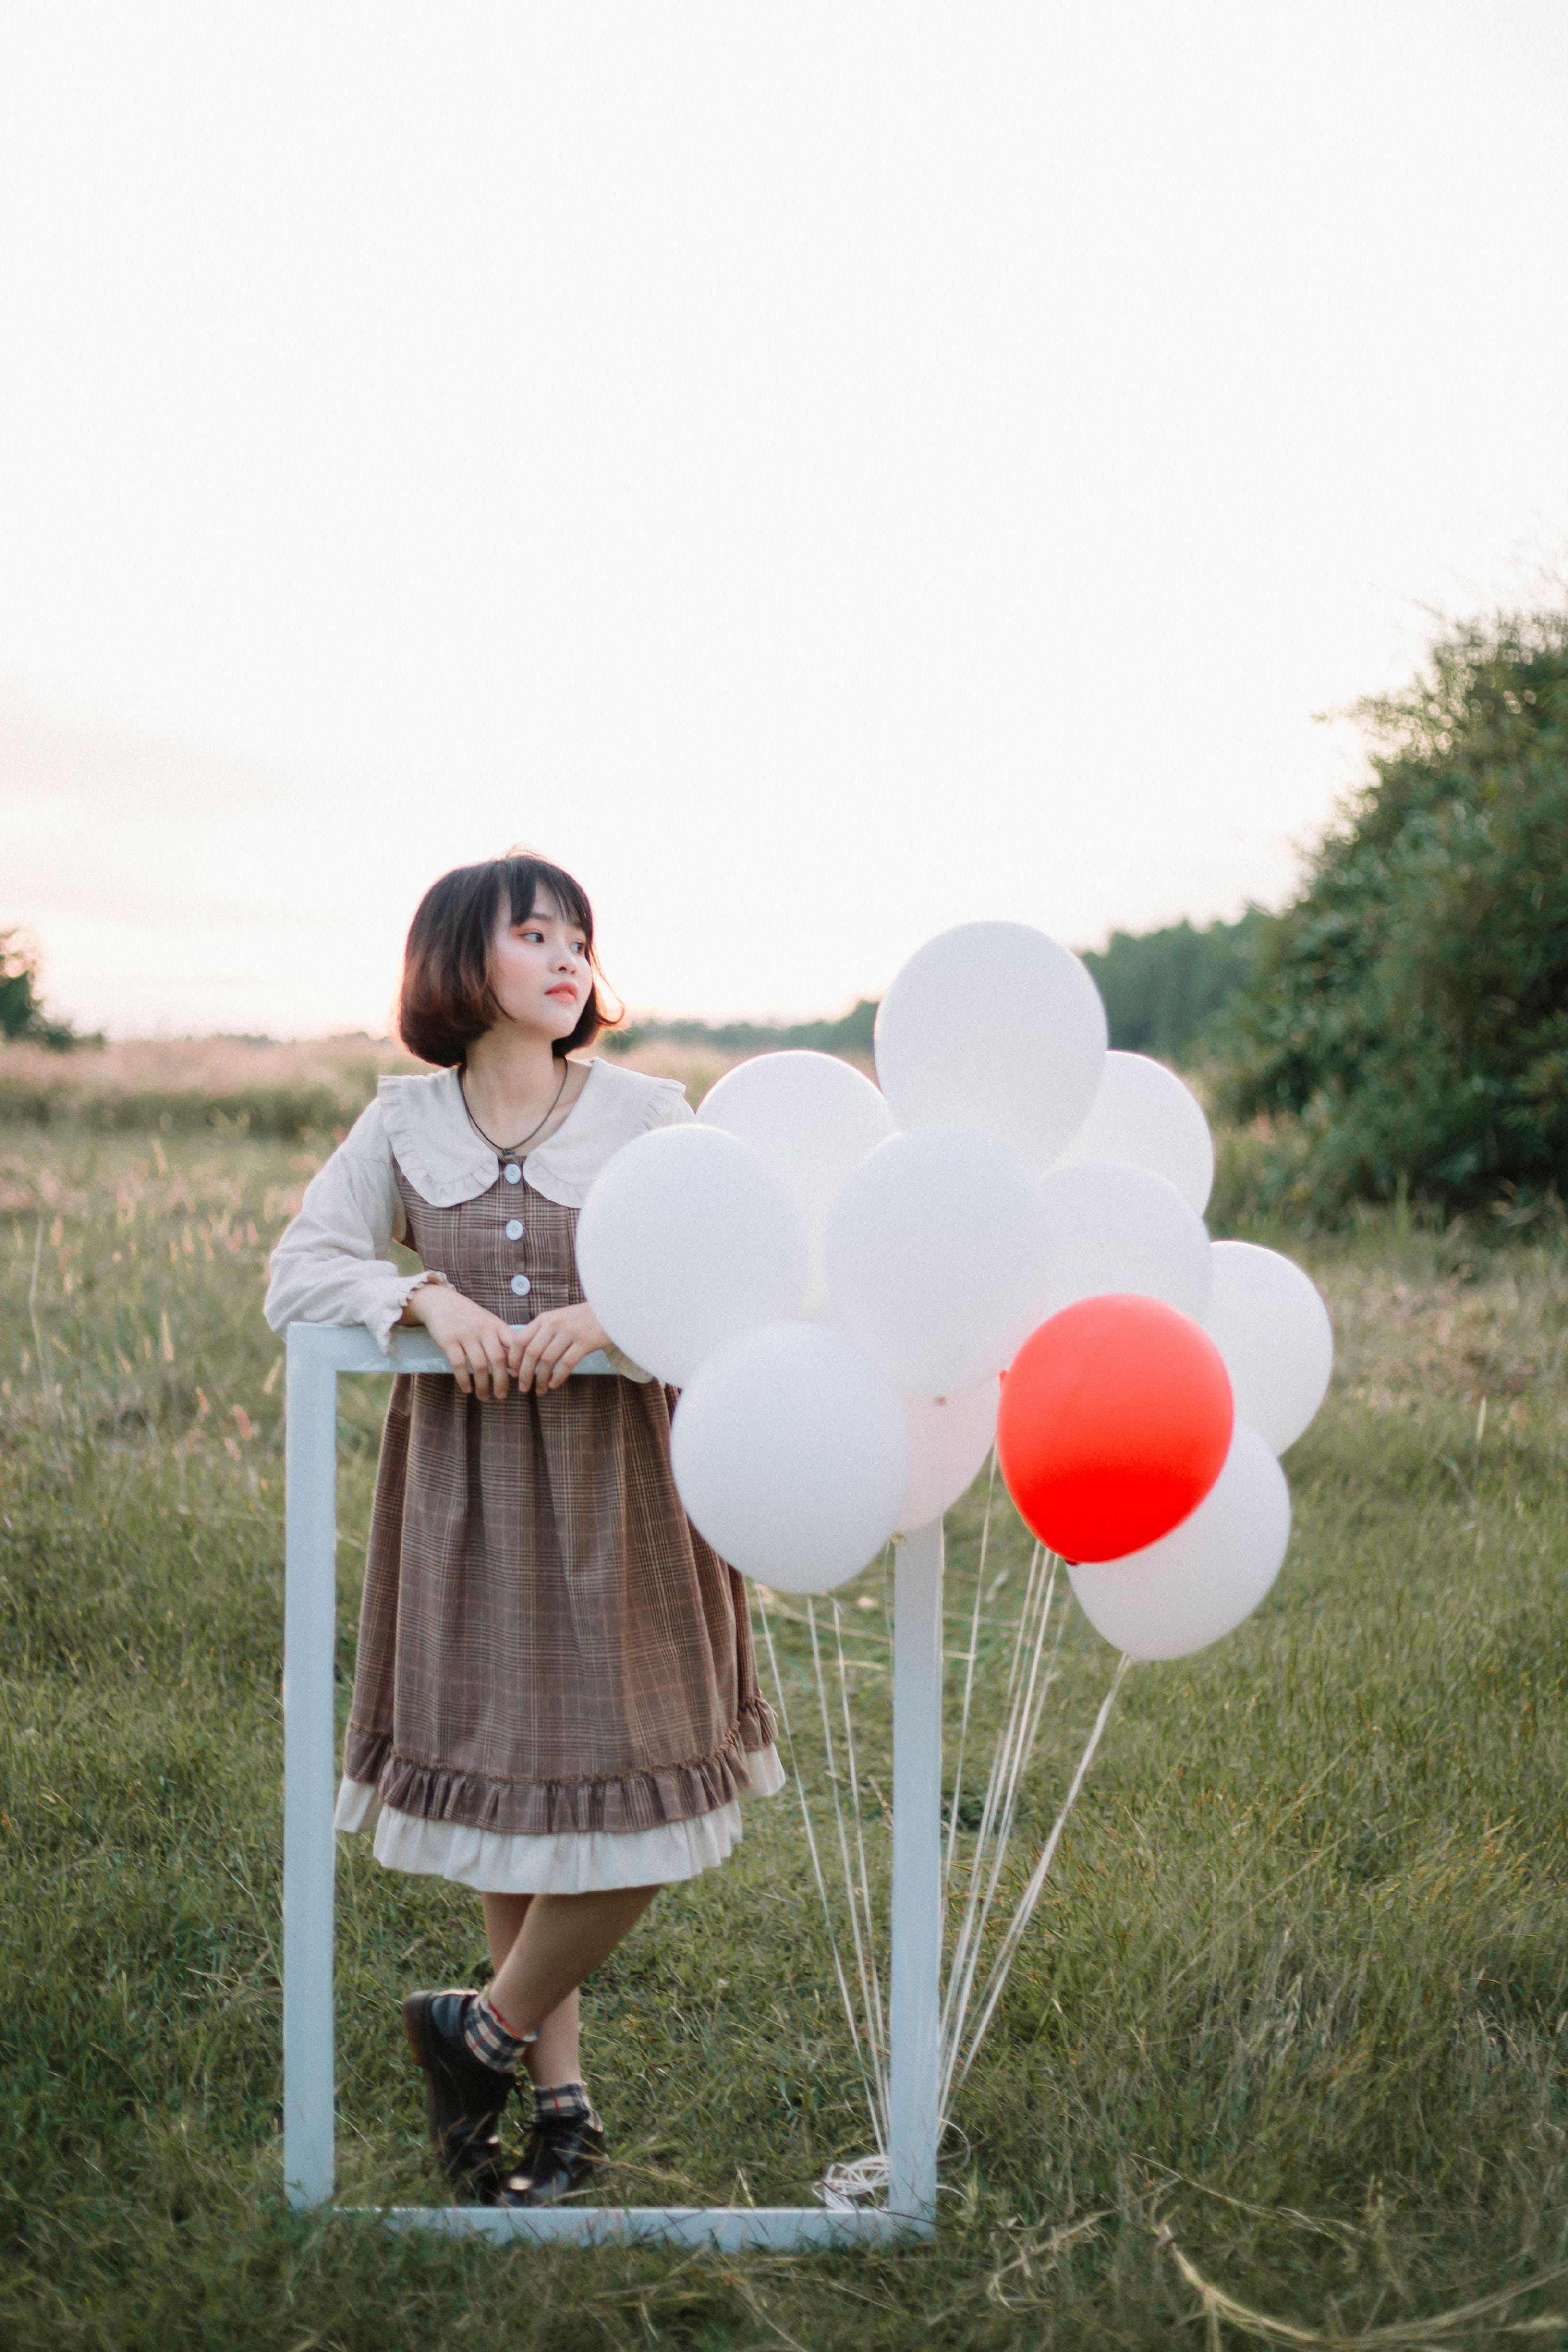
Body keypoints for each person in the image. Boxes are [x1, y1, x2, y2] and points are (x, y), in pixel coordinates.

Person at [264, 852, 782, 2206]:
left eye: (578, 937)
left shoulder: (648, 1113)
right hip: (472, 1500)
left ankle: (474, 2034)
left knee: (652, 1811)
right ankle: (557, 2113)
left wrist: (609, 1315)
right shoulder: (400, 1123)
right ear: (458, 962)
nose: (568, 958)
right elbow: (300, 1265)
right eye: (533, 933)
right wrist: (427, 1297)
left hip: (626, 1494)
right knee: (515, 1812)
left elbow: (743, 1259)